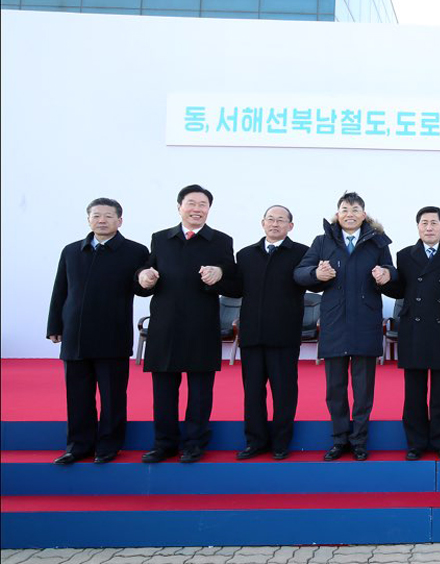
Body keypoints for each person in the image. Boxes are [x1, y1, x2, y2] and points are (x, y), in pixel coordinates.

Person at [137, 184, 237, 464]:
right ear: (179, 206)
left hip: (201, 325)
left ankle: (194, 443)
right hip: (165, 325)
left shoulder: (221, 241)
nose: (197, 209)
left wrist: (220, 274)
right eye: (191, 203)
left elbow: (235, 284)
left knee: (200, 392)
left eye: (202, 204)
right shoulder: (160, 238)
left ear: (209, 209)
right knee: (164, 391)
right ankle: (164, 443)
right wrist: (144, 277)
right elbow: (146, 274)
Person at [46, 198, 149, 465]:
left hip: (112, 334)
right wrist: (54, 326)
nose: (101, 220)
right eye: (96, 216)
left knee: (113, 395)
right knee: (77, 394)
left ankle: (109, 445)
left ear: (120, 221)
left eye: (108, 216)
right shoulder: (71, 251)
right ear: (88, 219)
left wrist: (147, 280)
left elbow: (142, 288)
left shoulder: (135, 252)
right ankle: (78, 445)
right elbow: (60, 290)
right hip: (75, 335)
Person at [294, 192, 396, 462]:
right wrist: (316, 274)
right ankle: (339, 440)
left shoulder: (377, 242)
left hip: (365, 321)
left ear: (364, 214)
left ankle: (360, 441)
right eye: (344, 209)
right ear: (337, 213)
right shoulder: (322, 241)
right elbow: (300, 272)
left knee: (363, 390)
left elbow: (391, 271)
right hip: (335, 321)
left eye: (355, 209)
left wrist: (386, 275)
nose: (349, 213)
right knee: (335, 389)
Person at [381, 206, 440, 461]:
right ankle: (416, 442)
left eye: (434, 223)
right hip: (414, 329)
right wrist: (384, 280)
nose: (429, 227)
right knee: (414, 392)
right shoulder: (405, 255)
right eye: (424, 223)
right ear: (418, 227)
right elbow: (400, 289)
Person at [232, 205, 309, 461]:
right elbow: (234, 288)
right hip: (252, 334)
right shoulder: (245, 255)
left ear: (291, 226)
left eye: (281, 220)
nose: (275, 224)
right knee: (252, 392)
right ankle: (255, 441)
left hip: (284, 334)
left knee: (284, 391)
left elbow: (314, 281)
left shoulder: (301, 253)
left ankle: (281, 442)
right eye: (270, 219)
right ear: (262, 223)